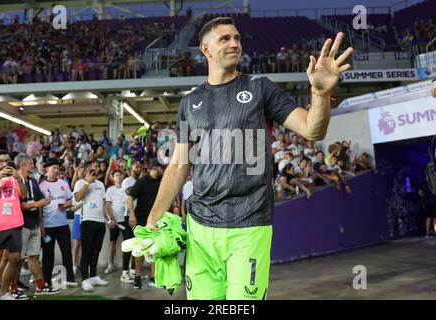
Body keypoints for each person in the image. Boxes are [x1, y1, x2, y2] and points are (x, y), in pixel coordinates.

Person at [144, 17, 353, 300]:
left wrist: (319, 92)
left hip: (249, 225)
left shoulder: (260, 88)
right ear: (205, 49)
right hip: (200, 230)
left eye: (237, 38)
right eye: (225, 39)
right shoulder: (189, 103)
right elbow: (179, 164)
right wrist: (154, 218)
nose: (234, 43)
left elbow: (312, 130)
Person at [15, 153, 59, 295]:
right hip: (21, 225)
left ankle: (41, 286)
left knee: (33, 257)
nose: (33, 166)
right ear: (22, 165)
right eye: (30, 164)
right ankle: (12, 288)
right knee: (17, 259)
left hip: (34, 224)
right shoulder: (14, 181)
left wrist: (40, 223)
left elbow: (40, 202)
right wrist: (37, 203)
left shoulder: (33, 180)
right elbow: (19, 205)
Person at [0, 150, 27, 299]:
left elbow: (23, 196)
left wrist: (20, 180)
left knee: (15, 259)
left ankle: (3, 293)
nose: (4, 164)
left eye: (7, 160)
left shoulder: (17, 178)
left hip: (15, 222)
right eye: (1, 161)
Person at [39, 158, 77, 289]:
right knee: (48, 254)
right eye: (53, 168)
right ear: (46, 170)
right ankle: (47, 281)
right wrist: (41, 226)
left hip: (63, 225)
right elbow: (38, 207)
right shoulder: (42, 186)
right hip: (48, 226)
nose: (56, 170)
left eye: (57, 168)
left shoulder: (64, 184)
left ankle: (70, 278)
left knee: (67, 252)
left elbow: (70, 200)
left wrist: (67, 204)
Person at [128, 158, 165, 289]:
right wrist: (131, 214)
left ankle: (153, 277)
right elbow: (130, 197)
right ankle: (137, 277)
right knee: (140, 250)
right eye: (161, 168)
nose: (163, 170)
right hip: (141, 220)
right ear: (155, 168)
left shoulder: (162, 182)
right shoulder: (142, 181)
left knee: (154, 251)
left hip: (156, 222)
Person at [73, 160, 108, 292]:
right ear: (87, 169)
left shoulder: (100, 184)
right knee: (86, 251)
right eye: (95, 166)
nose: (97, 168)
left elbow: (104, 204)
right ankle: (85, 279)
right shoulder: (80, 182)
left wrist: (108, 219)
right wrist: (87, 182)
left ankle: (93, 276)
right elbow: (77, 198)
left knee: (96, 250)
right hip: (87, 220)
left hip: (100, 222)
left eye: (98, 167)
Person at [104, 170, 127, 275]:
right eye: (116, 175)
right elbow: (107, 206)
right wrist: (111, 219)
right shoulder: (110, 190)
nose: (118, 177)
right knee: (112, 243)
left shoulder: (126, 189)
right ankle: (111, 264)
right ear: (113, 177)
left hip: (125, 220)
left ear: (123, 176)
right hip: (114, 221)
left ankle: (127, 268)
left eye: (120, 175)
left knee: (128, 244)